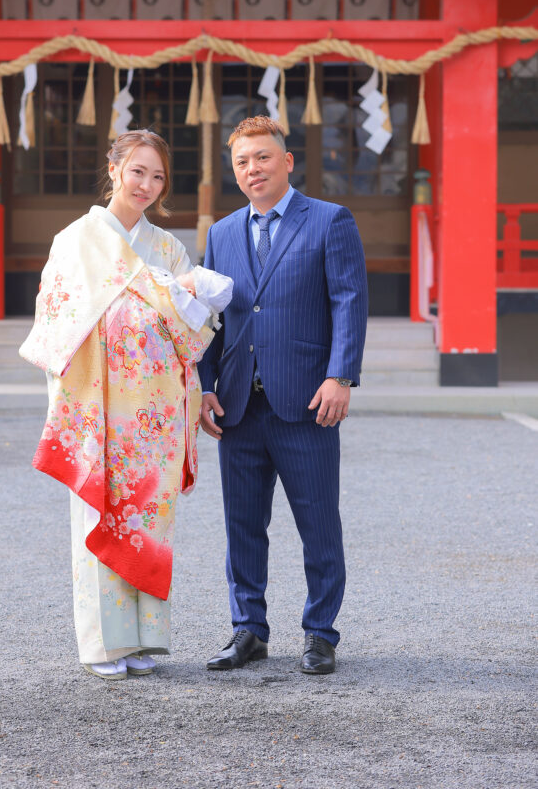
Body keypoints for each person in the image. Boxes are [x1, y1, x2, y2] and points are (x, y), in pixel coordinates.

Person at [20, 130, 232, 681]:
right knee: (101, 510)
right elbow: (57, 320)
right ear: (114, 168)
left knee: (149, 521)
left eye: (157, 176)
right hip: (100, 402)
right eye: (138, 171)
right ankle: (101, 644)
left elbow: (197, 326)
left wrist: (170, 300)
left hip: (157, 411)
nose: (147, 184)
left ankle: (142, 640)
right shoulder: (76, 240)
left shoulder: (168, 247)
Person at [198, 115, 368, 675]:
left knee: (318, 523)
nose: (253, 170)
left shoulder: (328, 221)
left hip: (306, 402)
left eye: (263, 158)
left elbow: (348, 301)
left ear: (287, 160)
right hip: (239, 404)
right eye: (242, 161)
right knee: (242, 526)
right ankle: (248, 630)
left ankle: (321, 633)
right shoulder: (221, 234)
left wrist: (340, 376)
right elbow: (208, 320)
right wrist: (203, 387)